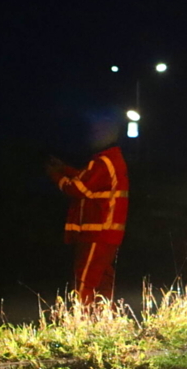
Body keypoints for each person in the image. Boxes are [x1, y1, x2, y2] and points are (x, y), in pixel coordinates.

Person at [46, 115, 129, 306]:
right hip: (107, 232)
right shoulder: (108, 160)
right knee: (102, 280)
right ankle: (102, 319)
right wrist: (65, 169)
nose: (92, 136)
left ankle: (82, 321)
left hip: (98, 231)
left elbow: (77, 188)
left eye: (96, 132)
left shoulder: (104, 161)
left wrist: (55, 175)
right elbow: (87, 179)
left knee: (85, 279)